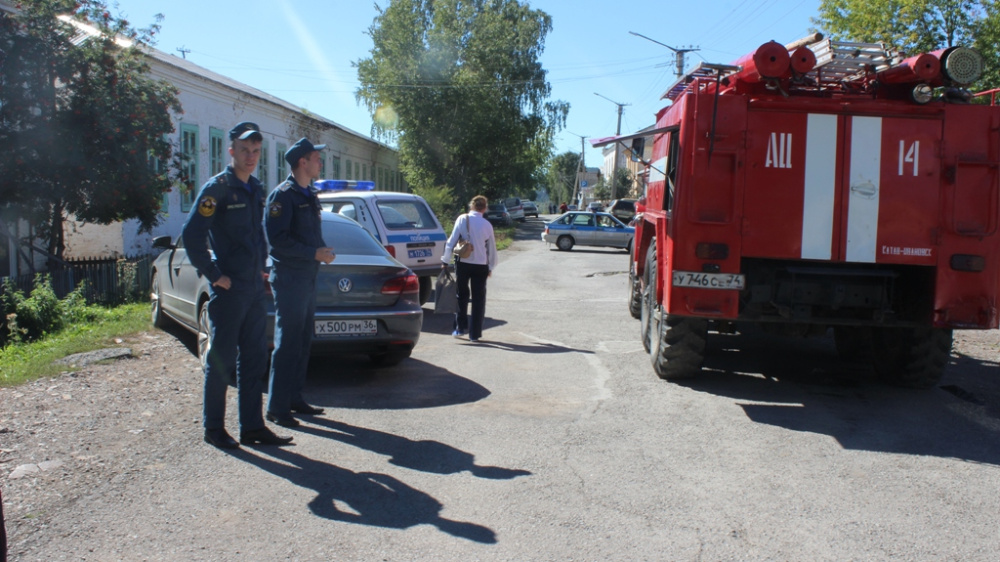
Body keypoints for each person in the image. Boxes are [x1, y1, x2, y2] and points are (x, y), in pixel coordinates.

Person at [181, 122, 293, 449]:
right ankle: (214, 428)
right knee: (222, 360)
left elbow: (256, 236)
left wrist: (261, 269)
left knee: (255, 359)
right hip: (229, 290)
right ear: (231, 151)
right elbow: (192, 235)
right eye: (244, 150)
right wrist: (214, 274)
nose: (251, 156)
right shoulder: (217, 189)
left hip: (254, 288)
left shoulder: (255, 188)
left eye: (256, 151)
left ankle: (252, 427)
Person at [264, 138, 336, 428]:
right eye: (316, 158)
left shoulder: (309, 194)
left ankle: (294, 397)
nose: (320, 162)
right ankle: (277, 407)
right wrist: (312, 253)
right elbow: (277, 241)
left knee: (303, 339)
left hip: (307, 276)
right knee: (288, 342)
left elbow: (310, 234)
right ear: (302, 162)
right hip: (290, 278)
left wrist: (322, 250)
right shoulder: (282, 196)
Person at [442, 195, 498, 343]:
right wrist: (490, 266)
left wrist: (445, 260)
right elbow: (491, 249)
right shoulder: (487, 225)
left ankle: (460, 328)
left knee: (461, 295)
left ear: (471, 206)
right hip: (481, 265)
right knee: (479, 299)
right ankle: (475, 334)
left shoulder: (462, 219)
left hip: (463, 264)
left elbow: (451, 241)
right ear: (484, 208)